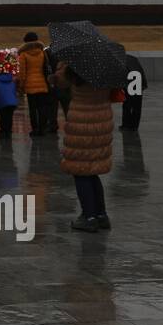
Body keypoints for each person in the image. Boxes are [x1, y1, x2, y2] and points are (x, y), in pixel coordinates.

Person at [53, 62, 116, 232]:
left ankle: (89, 217)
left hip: (82, 123)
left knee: (80, 171)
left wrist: (62, 65)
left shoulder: (74, 67)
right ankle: (101, 215)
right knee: (92, 170)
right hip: (102, 121)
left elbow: (58, 82)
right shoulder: (106, 67)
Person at [16, 33, 52, 136]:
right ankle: (42, 129)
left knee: (32, 109)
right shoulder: (42, 53)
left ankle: (35, 129)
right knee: (42, 108)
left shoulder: (23, 54)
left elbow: (22, 73)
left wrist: (21, 86)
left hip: (30, 85)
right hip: (43, 84)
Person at [120, 53, 147, 131]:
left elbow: (122, 74)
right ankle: (135, 126)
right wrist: (144, 85)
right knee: (137, 107)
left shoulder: (121, 60)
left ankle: (126, 125)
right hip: (138, 83)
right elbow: (141, 71)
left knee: (127, 105)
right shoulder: (134, 59)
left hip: (129, 84)